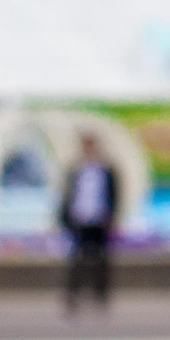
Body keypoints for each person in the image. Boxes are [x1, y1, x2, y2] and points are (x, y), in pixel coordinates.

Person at [58, 134, 118, 312]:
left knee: (101, 260)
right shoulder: (76, 170)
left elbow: (113, 195)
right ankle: (73, 295)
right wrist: (65, 217)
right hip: (80, 218)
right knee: (77, 260)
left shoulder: (106, 170)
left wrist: (111, 217)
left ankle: (100, 295)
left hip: (99, 219)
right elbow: (68, 195)